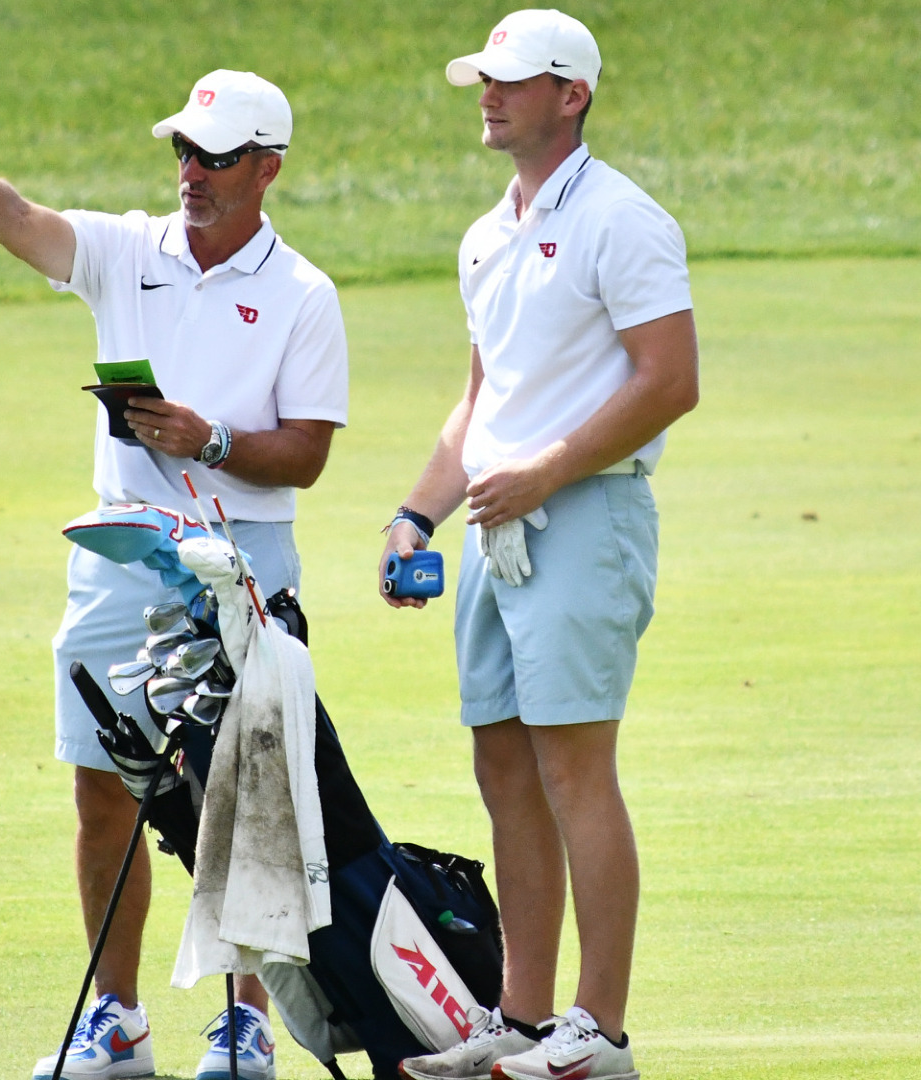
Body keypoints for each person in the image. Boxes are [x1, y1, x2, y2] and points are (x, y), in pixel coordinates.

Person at [0, 69, 347, 1080]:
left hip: (239, 565)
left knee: (241, 800)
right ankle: (119, 1021)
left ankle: (246, 1024)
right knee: (103, 797)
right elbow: (32, 226)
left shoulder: (304, 295)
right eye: (183, 149)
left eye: (216, 157)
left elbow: (306, 453)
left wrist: (207, 438)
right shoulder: (131, 250)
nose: (192, 172)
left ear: (267, 168)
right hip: (120, 554)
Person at [378, 11, 697, 1080]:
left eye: (514, 82)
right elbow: (481, 402)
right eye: (485, 79)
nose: (489, 94)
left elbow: (670, 381)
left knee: (574, 769)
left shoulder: (622, 219)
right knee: (502, 766)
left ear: (573, 95)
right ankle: (518, 1019)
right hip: (494, 525)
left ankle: (596, 1033)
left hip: (583, 517)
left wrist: (546, 473)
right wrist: (417, 513)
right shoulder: (486, 234)